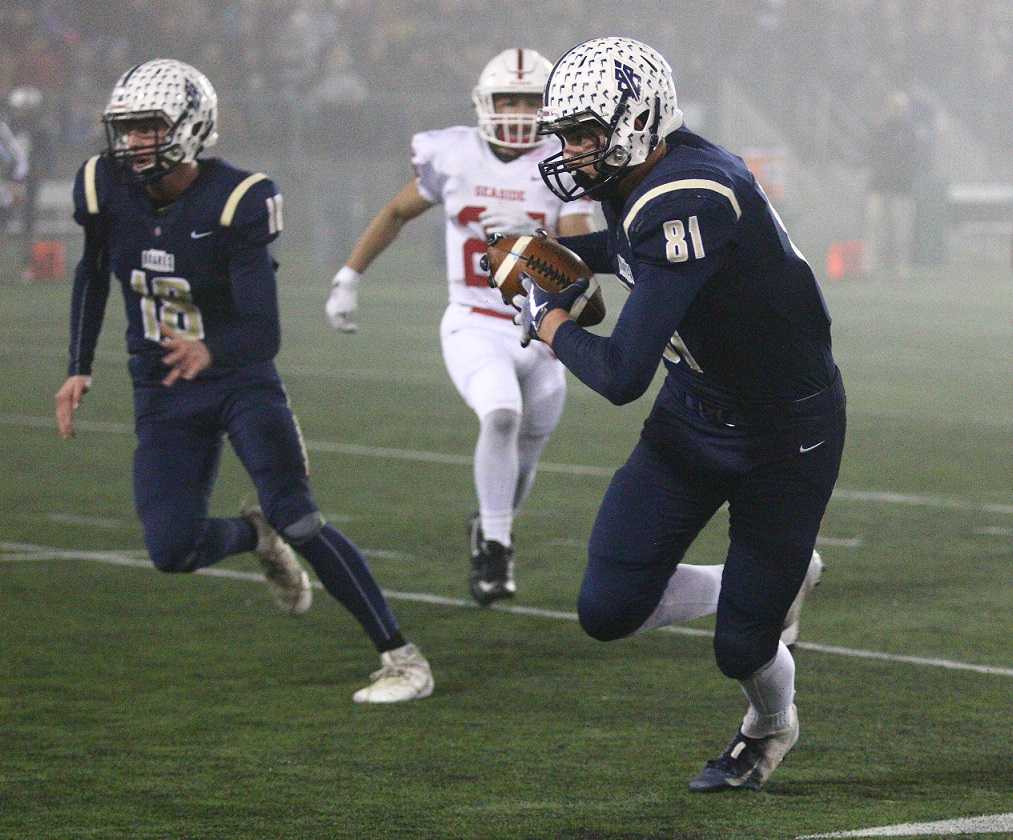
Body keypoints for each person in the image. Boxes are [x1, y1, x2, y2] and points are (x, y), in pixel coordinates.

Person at [520, 37, 845, 792]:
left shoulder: (687, 193)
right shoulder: (649, 171)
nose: (570, 151)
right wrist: (556, 253)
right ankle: (772, 580)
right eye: (564, 133)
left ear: (636, 120)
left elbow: (620, 373)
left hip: (783, 434)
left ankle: (767, 729)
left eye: (583, 133)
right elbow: (638, 250)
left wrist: (548, 322)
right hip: (694, 412)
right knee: (606, 610)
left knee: (742, 648)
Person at [54, 59, 433, 704]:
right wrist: (78, 366)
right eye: (127, 128)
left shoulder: (238, 198)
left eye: (149, 126)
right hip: (161, 388)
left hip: (239, 380)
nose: (135, 141)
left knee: (302, 517)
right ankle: (254, 537)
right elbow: (92, 272)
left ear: (192, 126)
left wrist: (212, 349)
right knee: (171, 548)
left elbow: (263, 331)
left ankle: (403, 659)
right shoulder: (102, 184)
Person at [325, 48, 595, 606]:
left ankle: (493, 524)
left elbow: (584, 269)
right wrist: (348, 275)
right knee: (500, 414)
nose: (519, 112)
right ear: (483, 103)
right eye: (508, 100)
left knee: (529, 446)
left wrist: (535, 240)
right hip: (474, 320)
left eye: (530, 100)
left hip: (543, 327)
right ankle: (496, 547)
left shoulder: (561, 164)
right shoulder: (452, 154)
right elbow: (398, 211)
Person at [863, 90, 918, 277]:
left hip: (901, 187)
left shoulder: (909, 132)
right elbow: (871, 154)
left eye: (900, 107)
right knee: (875, 227)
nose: (897, 111)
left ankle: (901, 266)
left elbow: (912, 158)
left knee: (901, 230)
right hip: (879, 185)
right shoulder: (881, 129)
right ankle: (870, 265)